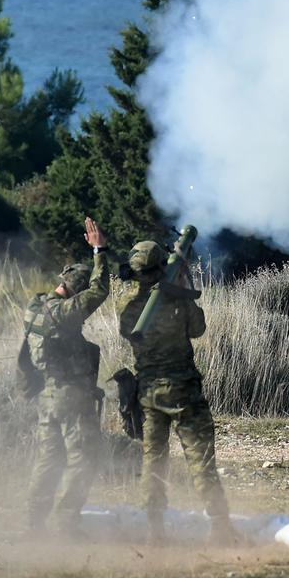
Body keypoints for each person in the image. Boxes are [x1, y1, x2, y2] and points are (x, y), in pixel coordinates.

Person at [123, 232, 232, 546]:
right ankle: (221, 528)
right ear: (162, 266)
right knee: (201, 460)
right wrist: (181, 279)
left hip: (147, 393)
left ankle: (154, 532)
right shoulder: (174, 299)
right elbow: (198, 328)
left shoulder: (128, 303)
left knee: (153, 461)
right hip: (182, 391)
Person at [21, 217, 112, 538]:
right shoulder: (65, 311)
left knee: (49, 459)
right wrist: (100, 251)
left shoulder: (35, 306)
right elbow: (99, 290)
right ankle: (67, 522)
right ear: (77, 290)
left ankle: (34, 523)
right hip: (71, 395)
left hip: (47, 394)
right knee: (84, 458)